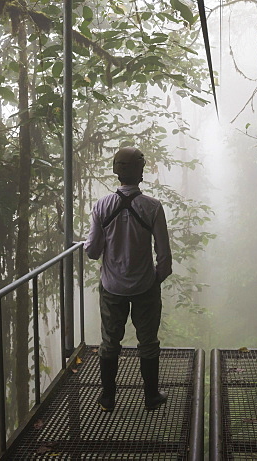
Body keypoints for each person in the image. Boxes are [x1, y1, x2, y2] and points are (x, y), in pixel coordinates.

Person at [84, 146, 172, 412]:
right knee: (148, 341)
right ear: (140, 172)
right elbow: (164, 254)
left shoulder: (102, 206)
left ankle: (108, 397)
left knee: (111, 341)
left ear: (116, 171)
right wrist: (156, 277)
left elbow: (92, 251)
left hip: (112, 288)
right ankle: (151, 396)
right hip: (145, 286)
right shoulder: (152, 207)